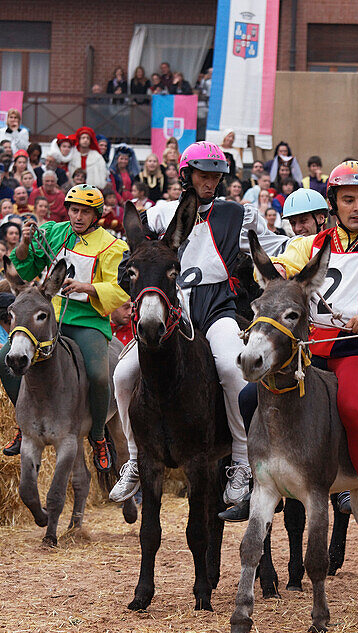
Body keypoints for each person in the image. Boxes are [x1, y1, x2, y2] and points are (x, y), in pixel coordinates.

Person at [108, 140, 287, 511]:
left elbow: (274, 245)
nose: (210, 184)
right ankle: (134, 459)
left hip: (216, 307)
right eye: (203, 176)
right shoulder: (161, 213)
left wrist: (296, 252)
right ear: (187, 175)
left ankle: (240, 462)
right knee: (124, 374)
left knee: (232, 370)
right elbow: (134, 251)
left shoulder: (238, 214)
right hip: (174, 310)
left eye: (216, 177)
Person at [261, 160, 358, 539]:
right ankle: (258, 478)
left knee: (348, 405)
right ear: (334, 203)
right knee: (255, 393)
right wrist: (273, 275)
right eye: (349, 200)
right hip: (314, 349)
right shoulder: (311, 244)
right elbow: (279, 268)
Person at [0, 185, 129, 470]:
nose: (78, 216)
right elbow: (25, 270)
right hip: (48, 319)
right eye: (74, 210)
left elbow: (120, 288)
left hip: (87, 320)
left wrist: (87, 287)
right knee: (0, 360)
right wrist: (23, 243)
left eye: (85, 212)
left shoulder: (112, 245)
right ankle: (23, 425)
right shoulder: (54, 233)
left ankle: (97, 437)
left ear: (97, 215)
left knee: (99, 375)